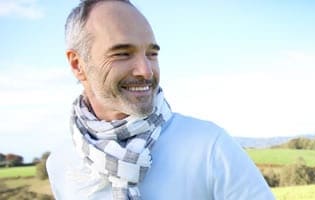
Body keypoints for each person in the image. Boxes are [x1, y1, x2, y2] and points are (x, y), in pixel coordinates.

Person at [46, 0, 274, 199]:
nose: (146, 71)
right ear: (77, 64)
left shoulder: (210, 147)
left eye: (151, 54)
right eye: (122, 53)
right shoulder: (61, 164)